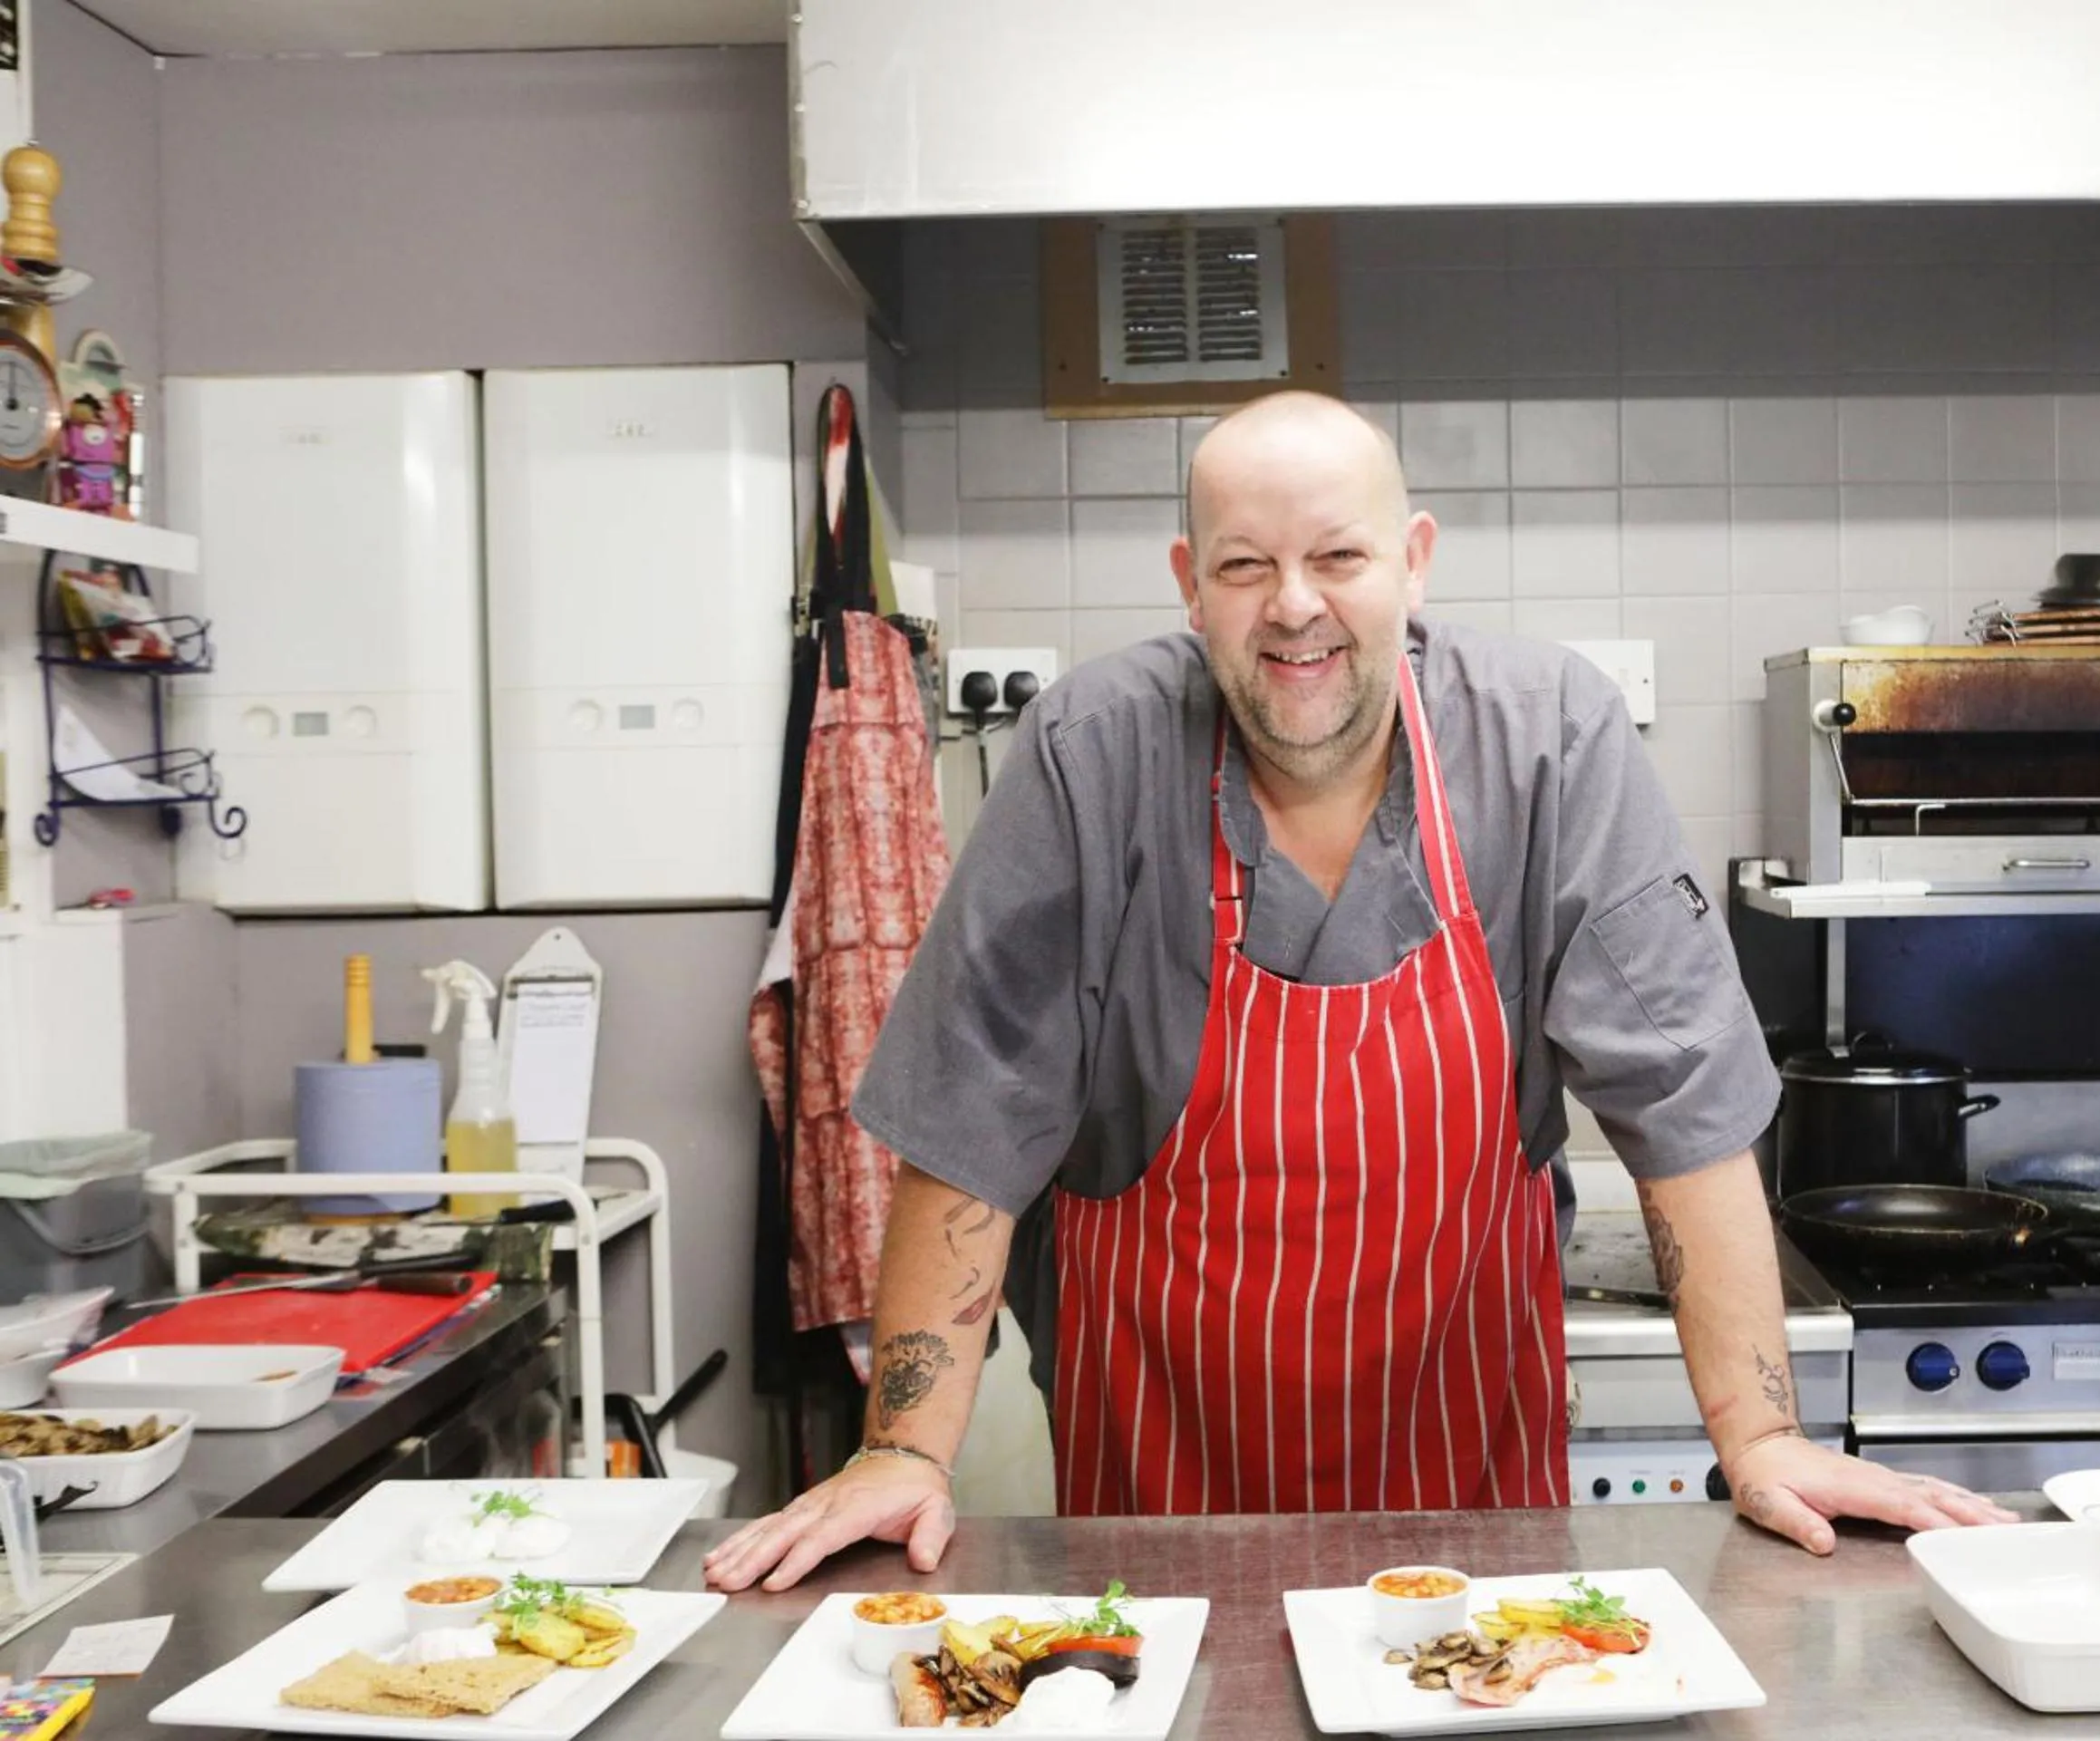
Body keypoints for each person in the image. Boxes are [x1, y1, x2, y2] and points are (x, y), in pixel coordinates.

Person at [704, 391, 2013, 1593]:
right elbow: (972, 1125)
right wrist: (905, 1453)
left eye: (1338, 557)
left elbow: (1684, 1106)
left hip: (1474, 1500)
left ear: (1413, 560)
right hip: (1156, 1505)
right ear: (1189, 584)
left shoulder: (1547, 739)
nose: (1293, 606)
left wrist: (1763, 1435)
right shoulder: (1090, 756)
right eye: (1243, 566)